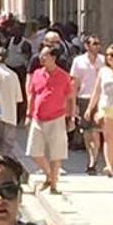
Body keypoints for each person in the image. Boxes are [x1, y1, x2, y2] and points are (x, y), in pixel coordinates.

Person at [26, 45, 74, 195]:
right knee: (34, 151)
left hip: (57, 117)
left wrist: (71, 117)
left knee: (56, 153)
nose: (41, 58)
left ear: (53, 58)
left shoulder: (64, 77)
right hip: (38, 118)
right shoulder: (37, 74)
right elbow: (32, 95)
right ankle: (48, 174)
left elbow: (71, 99)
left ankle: (53, 184)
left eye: (44, 56)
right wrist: (28, 113)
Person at [87, 44, 113, 177]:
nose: (108, 57)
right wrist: (90, 108)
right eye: (107, 55)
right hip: (105, 107)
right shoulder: (103, 71)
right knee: (109, 137)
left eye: (112, 54)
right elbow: (97, 91)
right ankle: (109, 166)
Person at [70, 35, 106, 173]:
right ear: (87, 46)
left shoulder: (103, 61)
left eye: (98, 44)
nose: (97, 46)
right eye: (94, 43)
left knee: (96, 131)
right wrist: (74, 105)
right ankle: (90, 155)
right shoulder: (78, 61)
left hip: (99, 99)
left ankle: (93, 161)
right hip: (83, 98)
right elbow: (75, 84)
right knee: (86, 132)